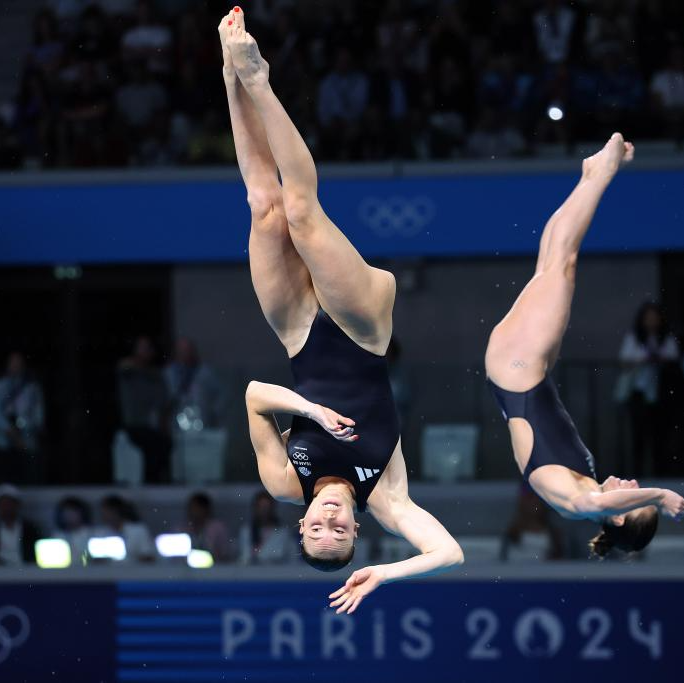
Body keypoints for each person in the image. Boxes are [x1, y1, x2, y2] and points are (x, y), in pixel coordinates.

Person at [220, 7, 462, 613]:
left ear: (301, 524)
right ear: (357, 530)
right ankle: (259, 79)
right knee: (302, 213)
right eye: (340, 533)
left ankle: (230, 75)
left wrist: (310, 413)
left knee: (264, 206)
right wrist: (387, 574)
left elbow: (253, 395)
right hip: (362, 330)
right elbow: (450, 553)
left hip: (297, 333)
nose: (328, 521)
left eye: (317, 529)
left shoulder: (285, 482)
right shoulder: (386, 494)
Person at [483, 132, 684, 560]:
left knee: (562, 262)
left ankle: (601, 172)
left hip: (518, 368)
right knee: (553, 264)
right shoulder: (586, 482)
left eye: (633, 501)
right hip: (529, 371)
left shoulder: (577, 503)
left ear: (616, 518)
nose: (634, 487)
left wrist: (659, 496)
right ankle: (591, 176)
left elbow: (594, 503)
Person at [617, 301, 681, 476]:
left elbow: (674, 359)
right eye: (648, 318)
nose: (651, 321)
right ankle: (638, 474)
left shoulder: (666, 338)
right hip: (639, 391)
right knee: (639, 433)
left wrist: (659, 359)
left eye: (654, 317)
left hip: (662, 392)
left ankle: (662, 474)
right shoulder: (634, 337)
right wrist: (643, 360)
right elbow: (624, 361)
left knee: (661, 434)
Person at [0, 352, 45, 484]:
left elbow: (38, 414)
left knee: (29, 481)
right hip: (3, 442)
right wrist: (10, 431)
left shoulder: (32, 388)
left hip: (27, 442)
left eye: (19, 363)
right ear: (7, 365)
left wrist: (26, 430)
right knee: (6, 481)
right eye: (13, 363)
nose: (16, 366)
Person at [117, 336, 171, 482]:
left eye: (147, 348)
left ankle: (157, 480)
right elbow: (123, 366)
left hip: (152, 425)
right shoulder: (129, 370)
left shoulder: (156, 375)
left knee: (164, 444)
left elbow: (163, 403)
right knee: (152, 445)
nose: (145, 352)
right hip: (134, 425)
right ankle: (151, 482)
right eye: (142, 348)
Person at [0, 485, 43, 566]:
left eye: (10, 504)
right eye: (3, 504)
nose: (7, 508)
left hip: (25, 569)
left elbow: (38, 554)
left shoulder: (30, 529)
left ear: (17, 505)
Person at [164, 338, 224, 431]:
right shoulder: (168, 373)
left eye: (187, 350)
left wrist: (214, 415)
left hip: (201, 421)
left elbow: (218, 397)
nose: (184, 353)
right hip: (175, 422)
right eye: (181, 350)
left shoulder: (205, 373)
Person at [500, 487, 564, 562]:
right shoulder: (510, 534)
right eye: (529, 497)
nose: (533, 502)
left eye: (537, 497)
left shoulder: (554, 535)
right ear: (521, 501)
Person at [95, 494, 156, 562]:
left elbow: (148, 555)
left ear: (117, 511)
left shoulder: (139, 530)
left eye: (108, 511)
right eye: (103, 511)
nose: (104, 515)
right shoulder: (100, 533)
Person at [238, 490, 291, 564]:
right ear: (255, 509)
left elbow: (289, 558)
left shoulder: (283, 533)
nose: (264, 511)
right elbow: (243, 557)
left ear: (272, 508)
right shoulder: (246, 531)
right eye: (260, 507)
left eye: (266, 507)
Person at [178, 492, 231, 563]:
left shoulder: (218, 528)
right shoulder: (181, 528)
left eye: (196, 508)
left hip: (215, 566)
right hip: (185, 567)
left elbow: (225, 554)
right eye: (191, 508)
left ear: (205, 509)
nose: (192, 511)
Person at [53, 496, 93, 566]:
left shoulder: (93, 534)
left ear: (82, 513)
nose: (69, 516)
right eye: (66, 513)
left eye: (73, 512)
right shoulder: (57, 535)